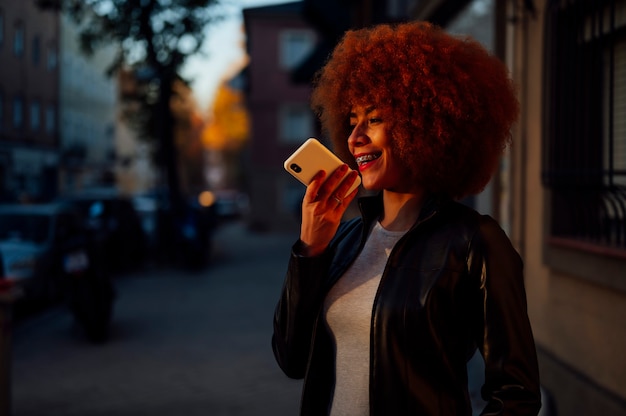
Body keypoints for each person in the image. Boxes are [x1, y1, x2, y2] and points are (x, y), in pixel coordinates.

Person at [272, 21, 542, 416]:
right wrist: (310, 250)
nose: (355, 138)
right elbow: (291, 359)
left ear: (427, 123)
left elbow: (516, 394)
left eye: (375, 118)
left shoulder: (475, 243)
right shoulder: (344, 240)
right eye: (351, 121)